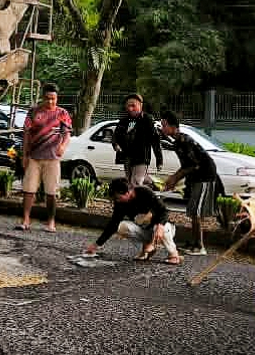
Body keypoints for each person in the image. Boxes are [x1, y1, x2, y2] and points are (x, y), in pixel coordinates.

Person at [160, 110, 218, 256]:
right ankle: (194, 243)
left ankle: (200, 246)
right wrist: (174, 179)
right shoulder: (177, 142)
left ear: (173, 127)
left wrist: (175, 178)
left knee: (196, 211)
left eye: (164, 125)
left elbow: (194, 164)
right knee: (192, 210)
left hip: (204, 176)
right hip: (195, 177)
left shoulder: (185, 141)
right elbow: (186, 166)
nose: (162, 128)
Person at [85, 177, 181, 265]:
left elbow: (164, 211)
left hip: (164, 229)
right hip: (145, 229)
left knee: (161, 226)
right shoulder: (120, 203)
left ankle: (173, 254)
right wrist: (96, 245)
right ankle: (147, 247)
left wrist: (160, 225)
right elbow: (113, 224)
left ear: (128, 192)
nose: (117, 200)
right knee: (122, 226)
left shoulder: (145, 192)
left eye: (118, 197)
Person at [16, 83, 72, 233]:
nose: (50, 101)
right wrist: (24, 155)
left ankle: (51, 222)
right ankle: (25, 220)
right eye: (47, 98)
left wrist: (63, 146)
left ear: (57, 98)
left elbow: (67, 134)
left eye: (53, 98)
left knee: (51, 191)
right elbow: (26, 134)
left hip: (52, 157)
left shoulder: (62, 113)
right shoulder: (33, 112)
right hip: (34, 156)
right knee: (29, 189)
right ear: (42, 97)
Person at [112, 93, 163, 189]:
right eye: (128, 106)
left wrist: (159, 160)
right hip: (127, 157)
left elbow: (155, 140)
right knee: (129, 182)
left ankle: (144, 188)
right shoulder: (124, 120)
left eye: (133, 105)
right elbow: (116, 135)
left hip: (141, 157)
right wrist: (115, 145)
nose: (130, 108)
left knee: (135, 183)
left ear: (140, 105)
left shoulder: (147, 119)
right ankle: (148, 183)